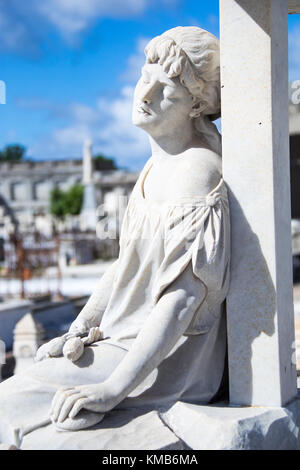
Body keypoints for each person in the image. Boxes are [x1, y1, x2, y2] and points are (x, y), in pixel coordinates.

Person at [0, 26, 230, 447]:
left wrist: (112, 390)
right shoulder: (155, 166)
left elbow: (181, 302)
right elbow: (126, 267)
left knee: (7, 405)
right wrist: (80, 326)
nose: (145, 95)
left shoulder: (196, 172)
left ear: (197, 106)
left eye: (168, 92)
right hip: (125, 342)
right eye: (145, 78)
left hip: (168, 363)